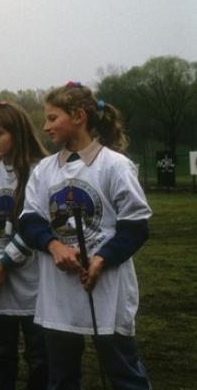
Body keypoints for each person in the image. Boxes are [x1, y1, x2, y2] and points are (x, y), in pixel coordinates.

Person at [19, 82, 152, 389]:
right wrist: (54, 247)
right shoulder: (44, 170)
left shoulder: (115, 166)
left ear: (78, 116)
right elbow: (30, 219)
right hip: (59, 292)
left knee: (123, 372)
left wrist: (101, 259)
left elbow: (136, 225)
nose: (45, 125)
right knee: (61, 377)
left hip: (107, 287)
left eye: (53, 118)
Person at [0, 102, 48, 390]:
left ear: (17, 132)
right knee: (0, 354)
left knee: (39, 356)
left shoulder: (41, 170)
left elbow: (35, 225)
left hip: (33, 281)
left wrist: (4, 265)